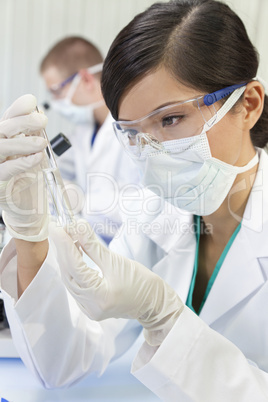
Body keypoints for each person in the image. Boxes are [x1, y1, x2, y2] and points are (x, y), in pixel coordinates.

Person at [1, 0, 268, 401]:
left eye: (171, 119)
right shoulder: (156, 216)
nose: (152, 152)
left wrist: (164, 316)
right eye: (132, 133)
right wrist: (30, 241)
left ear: (248, 104)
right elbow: (66, 362)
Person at [40, 36, 140, 244]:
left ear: (85, 80)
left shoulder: (133, 128)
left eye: (57, 92)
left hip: (128, 253)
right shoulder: (84, 131)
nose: (55, 103)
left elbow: (145, 206)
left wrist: (83, 202)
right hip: (94, 245)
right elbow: (56, 169)